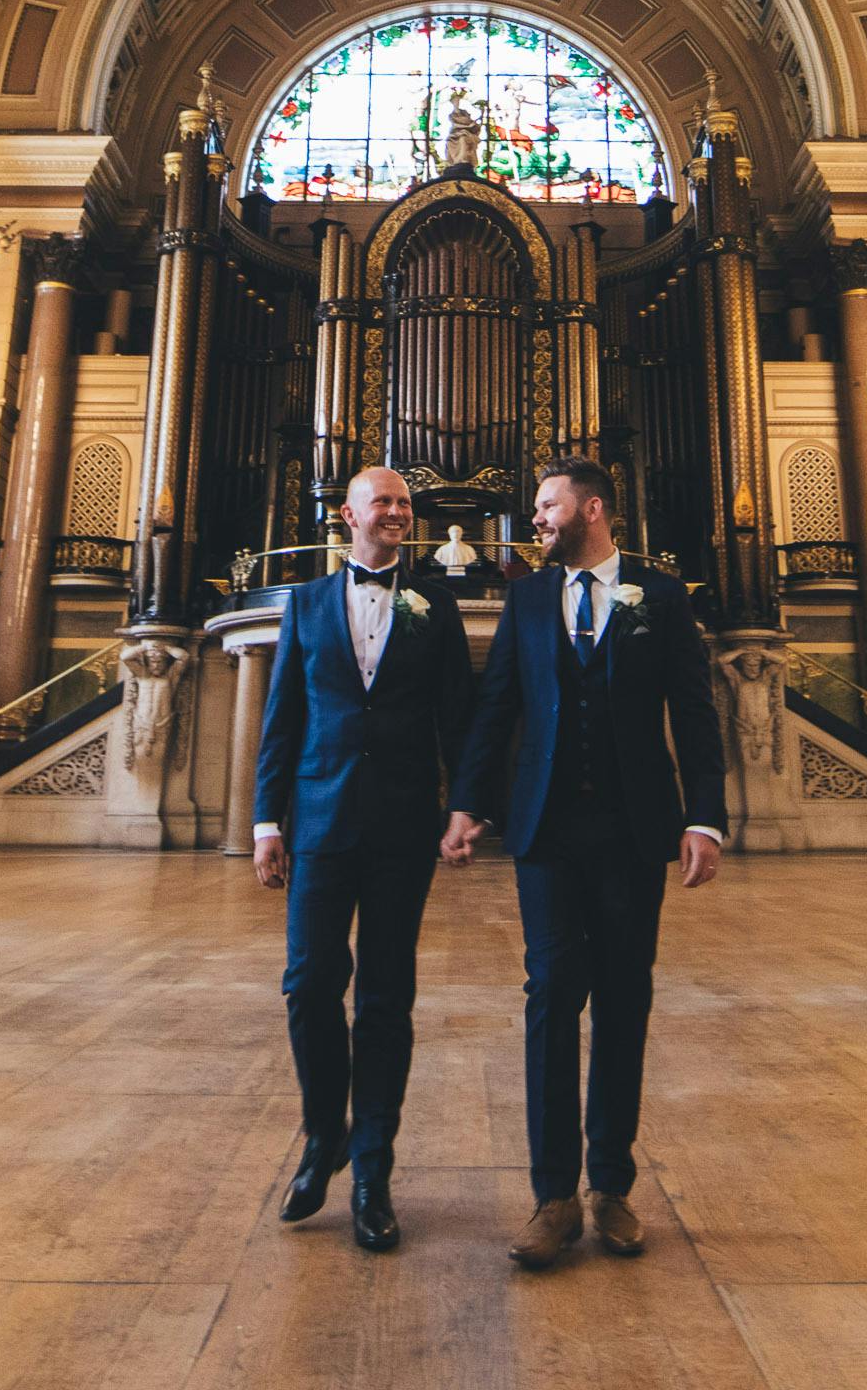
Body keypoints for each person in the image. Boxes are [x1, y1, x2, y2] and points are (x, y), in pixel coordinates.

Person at [444, 457, 727, 1271]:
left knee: (625, 999)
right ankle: (551, 1197)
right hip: (547, 833)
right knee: (549, 999)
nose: (535, 519)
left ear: (592, 508)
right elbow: (498, 706)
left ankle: (611, 1187)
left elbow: (695, 713)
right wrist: (468, 803)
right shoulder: (529, 597)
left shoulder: (660, 595)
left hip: (637, 830)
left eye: (546, 505)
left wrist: (704, 817)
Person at [252, 464, 475, 1252]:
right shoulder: (307, 603)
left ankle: (374, 1170)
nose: (396, 512)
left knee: (385, 998)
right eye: (382, 501)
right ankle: (325, 1136)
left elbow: (460, 715)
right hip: (318, 819)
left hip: (404, 825)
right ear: (346, 514)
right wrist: (264, 823)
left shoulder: (435, 604)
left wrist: (464, 807)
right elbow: (283, 719)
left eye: (404, 504)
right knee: (309, 984)